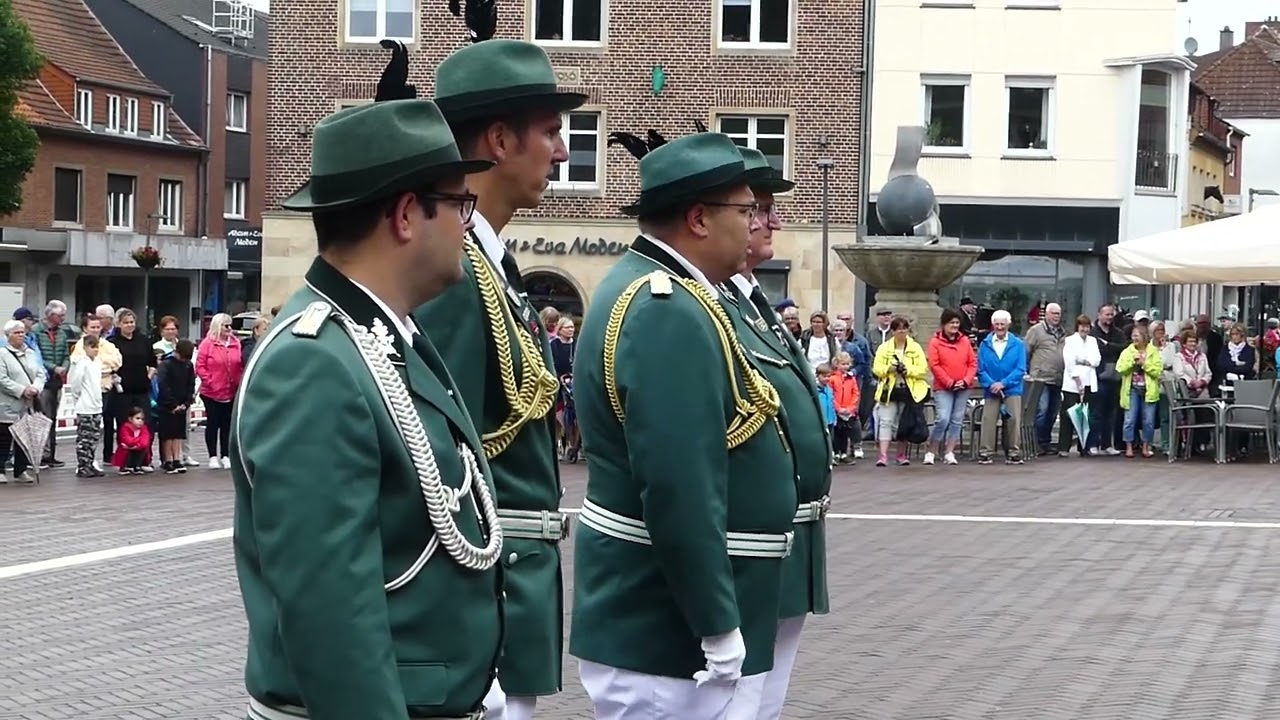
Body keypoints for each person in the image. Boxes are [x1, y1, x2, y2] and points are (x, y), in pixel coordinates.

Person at [229, 99, 504, 719]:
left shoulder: (389, 337)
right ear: (408, 213)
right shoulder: (315, 363)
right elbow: (332, 617)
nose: (468, 224)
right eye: (460, 203)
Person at [572, 132, 798, 719]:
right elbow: (678, 487)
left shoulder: (677, 296)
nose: (755, 223)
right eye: (745, 210)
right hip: (664, 627)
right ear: (699, 218)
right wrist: (717, 623)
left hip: (673, 618)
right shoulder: (664, 307)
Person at [414, 39, 584, 719]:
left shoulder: (489, 264)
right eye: (551, 132)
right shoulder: (454, 276)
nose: (564, 152)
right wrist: (465, 639)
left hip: (511, 588)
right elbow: (436, 466)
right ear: (499, 139)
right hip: (485, 596)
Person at [717, 146, 828, 719]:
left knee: (766, 698)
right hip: (745, 542)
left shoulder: (752, 302)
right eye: (757, 208)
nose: (774, 221)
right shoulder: (710, 307)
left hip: (787, 538)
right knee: (740, 698)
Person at [870, 316, 929, 466]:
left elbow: (923, 369)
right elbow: (876, 368)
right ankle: (883, 455)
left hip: (909, 390)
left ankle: (901, 455)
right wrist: (889, 369)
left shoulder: (915, 348)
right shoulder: (884, 348)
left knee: (905, 423)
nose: (902, 332)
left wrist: (908, 370)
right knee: (885, 421)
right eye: (898, 329)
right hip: (889, 390)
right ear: (893, 331)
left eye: (904, 329)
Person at [925, 308, 977, 466]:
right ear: (944, 324)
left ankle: (949, 451)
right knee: (943, 418)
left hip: (963, 387)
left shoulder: (965, 341)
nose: (954, 325)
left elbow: (972, 363)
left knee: (957, 420)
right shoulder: (935, 342)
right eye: (951, 323)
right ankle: (931, 450)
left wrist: (966, 380)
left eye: (957, 322)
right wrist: (949, 382)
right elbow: (934, 365)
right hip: (943, 387)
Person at [976, 309, 1028, 464]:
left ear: (1008, 325)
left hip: (1012, 389)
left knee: (1013, 420)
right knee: (988, 419)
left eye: (1002, 324)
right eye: (997, 324)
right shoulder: (985, 344)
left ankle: (1014, 452)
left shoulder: (1018, 344)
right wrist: (991, 384)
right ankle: (986, 452)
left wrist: (1003, 383)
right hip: (991, 389)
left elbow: (1020, 369)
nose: (999, 327)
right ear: (993, 325)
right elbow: (980, 368)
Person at [0, 319, 47, 483]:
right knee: (5, 437)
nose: (21, 335)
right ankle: (0, 469)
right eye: (16, 332)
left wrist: (36, 388)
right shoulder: (2, 354)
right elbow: (2, 379)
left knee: (25, 438)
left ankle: (21, 470)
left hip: (29, 404)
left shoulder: (31, 353)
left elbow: (41, 373)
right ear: (8, 336)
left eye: (22, 332)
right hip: (8, 404)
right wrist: (21, 390)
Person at [195, 313, 244, 469]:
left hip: (231, 390)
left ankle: (225, 454)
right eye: (226, 326)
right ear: (218, 326)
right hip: (212, 392)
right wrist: (210, 381)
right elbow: (200, 366)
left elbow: (240, 364)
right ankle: (212, 456)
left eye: (230, 325)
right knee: (213, 423)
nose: (229, 329)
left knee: (227, 424)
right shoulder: (207, 344)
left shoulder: (236, 343)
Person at [1117, 325, 1162, 458]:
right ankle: (1129, 447)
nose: (1135, 338)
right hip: (1132, 389)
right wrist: (1132, 362)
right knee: (1129, 419)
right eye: (1133, 335)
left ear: (1144, 336)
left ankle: (1146, 446)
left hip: (1149, 390)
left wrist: (1144, 364)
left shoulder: (1153, 351)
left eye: (1137, 335)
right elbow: (1120, 368)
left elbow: (1158, 370)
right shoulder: (1127, 352)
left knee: (1148, 420)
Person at [1058, 314, 1100, 457]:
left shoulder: (1093, 341)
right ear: (1078, 327)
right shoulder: (1070, 341)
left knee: (1086, 416)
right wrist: (1077, 380)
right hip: (1072, 384)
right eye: (1082, 326)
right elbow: (1070, 361)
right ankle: (1064, 447)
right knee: (1069, 415)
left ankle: (1084, 447)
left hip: (1089, 382)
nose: (1085, 329)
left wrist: (1084, 361)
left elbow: (1096, 360)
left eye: (1087, 326)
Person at [67, 335, 105, 478]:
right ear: (85, 347)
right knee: (84, 438)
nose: (95, 350)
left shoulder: (97, 363)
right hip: (85, 405)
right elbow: (76, 384)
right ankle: (82, 465)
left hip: (96, 404)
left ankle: (90, 463)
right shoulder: (81, 363)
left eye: (97, 347)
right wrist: (78, 398)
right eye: (92, 347)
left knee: (94, 437)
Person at [156, 339, 196, 474]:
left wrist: (186, 403)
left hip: (182, 404)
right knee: (168, 434)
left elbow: (191, 384)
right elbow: (163, 385)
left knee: (179, 433)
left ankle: (177, 459)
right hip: (167, 406)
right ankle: (167, 460)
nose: (184, 360)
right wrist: (172, 404)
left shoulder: (189, 365)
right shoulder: (166, 365)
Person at [829, 351, 861, 464]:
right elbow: (831, 394)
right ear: (837, 364)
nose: (845, 366)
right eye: (843, 364)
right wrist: (838, 408)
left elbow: (855, 393)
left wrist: (850, 408)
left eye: (847, 364)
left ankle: (844, 453)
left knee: (846, 433)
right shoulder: (832, 379)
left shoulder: (851, 378)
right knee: (836, 433)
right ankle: (836, 453)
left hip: (848, 411)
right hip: (836, 411)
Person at [112, 406, 152, 474]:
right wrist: (138, 441)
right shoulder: (125, 428)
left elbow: (145, 441)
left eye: (142, 419)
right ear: (130, 419)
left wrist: (136, 445)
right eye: (137, 418)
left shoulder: (144, 428)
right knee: (125, 450)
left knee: (144, 449)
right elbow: (128, 441)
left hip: (136, 447)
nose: (140, 421)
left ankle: (138, 466)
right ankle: (125, 467)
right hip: (127, 449)